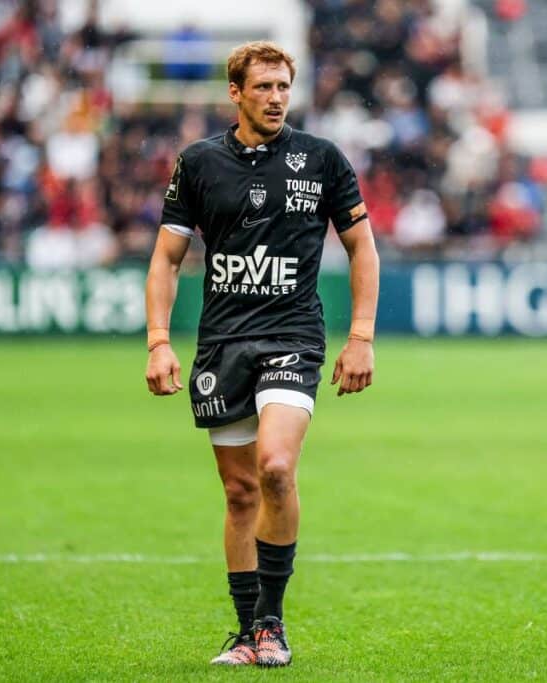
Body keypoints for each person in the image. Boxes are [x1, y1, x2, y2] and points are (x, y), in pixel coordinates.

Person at [144, 41, 379, 667]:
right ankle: (247, 634)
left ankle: (272, 624)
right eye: (264, 87)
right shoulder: (197, 163)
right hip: (222, 344)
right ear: (236, 92)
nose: (276, 97)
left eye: (283, 87)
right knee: (241, 493)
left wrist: (361, 336)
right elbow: (166, 258)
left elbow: (362, 248)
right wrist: (159, 341)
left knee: (276, 467)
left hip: (294, 337)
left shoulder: (322, 159)